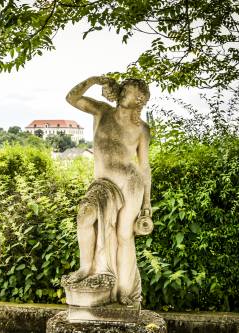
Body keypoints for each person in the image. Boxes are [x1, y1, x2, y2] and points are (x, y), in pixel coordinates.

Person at [65, 76, 152, 306]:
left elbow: (144, 167)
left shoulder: (141, 129)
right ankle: (86, 268)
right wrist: (94, 80)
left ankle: (124, 290)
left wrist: (147, 203)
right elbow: (71, 98)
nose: (124, 91)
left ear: (140, 99)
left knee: (124, 235)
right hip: (103, 184)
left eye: (131, 90)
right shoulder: (102, 111)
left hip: (131, 183)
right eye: (124, 89)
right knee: (85, 217)